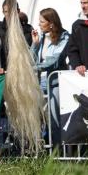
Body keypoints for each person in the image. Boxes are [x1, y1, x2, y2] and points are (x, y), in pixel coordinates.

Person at [29, 8, 69, 145]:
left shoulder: (64, 37)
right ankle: (41, 148)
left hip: (55, 83)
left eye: (41, 21)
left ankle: (57, 149)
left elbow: (54, 60)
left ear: (51, 23)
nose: (39, 24)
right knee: (39, 117)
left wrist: (34, 67)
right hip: (40, 83)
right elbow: (31, 59)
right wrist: (35, 45)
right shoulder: (41, 37)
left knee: (54, 118)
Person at [0, 0, 33, 74]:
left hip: (22, 73)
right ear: (3, 12)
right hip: (3, 73)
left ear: (18, 11)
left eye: (12, 11)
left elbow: (30, 51)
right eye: (6, 11)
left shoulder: (28, 29)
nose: (9, 14)